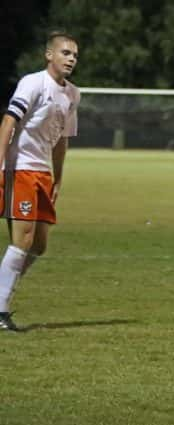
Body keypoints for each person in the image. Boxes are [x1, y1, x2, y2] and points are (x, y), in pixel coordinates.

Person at [0, 32, 80, 331]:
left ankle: (2, 287)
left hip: (42, 173)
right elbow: (9, 122)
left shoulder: (72, 94)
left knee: (39, 246)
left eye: (74, 54)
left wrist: (57, 176)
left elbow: (61, 140)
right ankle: (0, 308)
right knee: (23, 239)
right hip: (19, 168)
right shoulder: (33, 83)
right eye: (65, 52)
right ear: (49, 55)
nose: (71, 58)